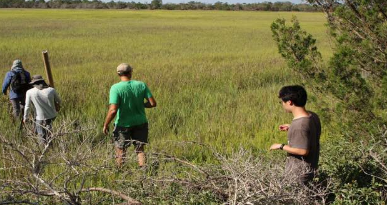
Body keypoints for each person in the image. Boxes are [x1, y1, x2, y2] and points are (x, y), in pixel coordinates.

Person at [103, 63, 156, 168]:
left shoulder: (115, 88)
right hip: (141, 122)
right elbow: (153, 103)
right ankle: (143, 172)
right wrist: (141, 104)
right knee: (140, 150)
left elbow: (113, 110)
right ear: (130, 72)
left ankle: (120, 173)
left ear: (118, 74)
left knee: (121, 151)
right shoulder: (141, 85)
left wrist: (105, 124)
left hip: (123, 125)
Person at [270, 85, 321, 184]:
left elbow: (303, 151)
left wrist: (280, 146)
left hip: (299, 174)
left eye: (282, 102)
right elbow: (309, 131)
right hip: (311, 168)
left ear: (290, 102)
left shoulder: (300, 126)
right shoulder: (312, 116)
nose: (282, 105)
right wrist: (291, 127)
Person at [23, 75, 61, 145]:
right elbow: (59, 101)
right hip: (53, 116)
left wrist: (25, 118)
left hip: (40, 118)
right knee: (51, 135)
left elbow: (27, 106)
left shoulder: (30, 92)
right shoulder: (51, 90)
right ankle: (52, 148)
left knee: (41, 137)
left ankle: (44, 151)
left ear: (33, 83)